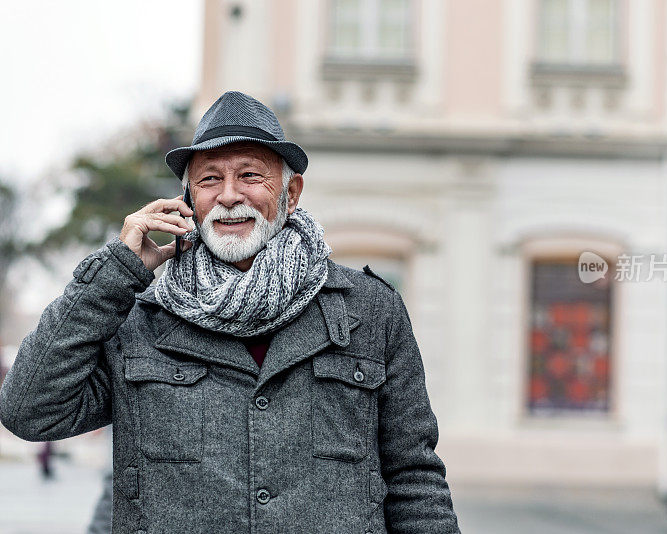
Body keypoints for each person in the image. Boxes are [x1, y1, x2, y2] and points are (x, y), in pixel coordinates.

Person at [0, 91, 460, 533]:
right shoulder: (140, 319)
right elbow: (29, 411)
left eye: (250, 176)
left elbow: (413, 478)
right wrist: (115, 274)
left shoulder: (369, 309)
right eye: (209, 179)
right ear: (188, 203)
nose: (229, 195)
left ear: (291, 192)